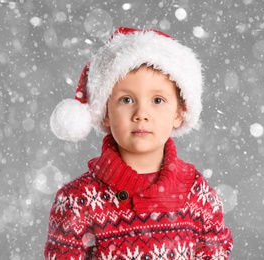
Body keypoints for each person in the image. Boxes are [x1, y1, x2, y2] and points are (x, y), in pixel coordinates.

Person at [44, 27, 233, 259]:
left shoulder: (199, 196)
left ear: (179, 112)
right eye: (126, 99)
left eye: (157, 100)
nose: (141, 113)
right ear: (104, 112)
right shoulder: (76, 201)